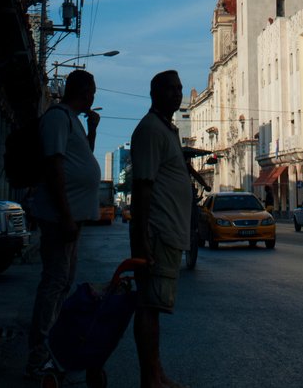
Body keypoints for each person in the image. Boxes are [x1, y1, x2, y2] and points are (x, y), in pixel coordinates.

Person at [26, 70, 101, 378]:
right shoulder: (58, 118)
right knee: (54, 282)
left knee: (63, 282)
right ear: (82, 91)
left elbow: (82, 161)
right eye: (92, 91)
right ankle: (37, 357)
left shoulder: (74, 122)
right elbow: (54, 166)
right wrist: (67, 215)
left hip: (71, 218)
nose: (93, 97)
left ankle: (51, 349)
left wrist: (93, 130)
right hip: (60, 218)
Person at [130, 71, 191, 388]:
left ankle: (155, 373)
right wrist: (141, 240)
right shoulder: (151, 130)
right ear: (154, 93)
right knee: (149, 305)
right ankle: (151, 377)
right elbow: (143, 188)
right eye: (170, 89)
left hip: (168, 233)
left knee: (155, 305)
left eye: (179, 89)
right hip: (157, 233)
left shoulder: (167, 129)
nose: (177, 94)